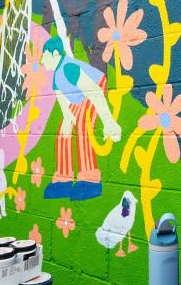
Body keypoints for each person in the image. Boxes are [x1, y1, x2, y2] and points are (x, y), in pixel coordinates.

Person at [40, 37, 122, 201]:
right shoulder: (56, 77)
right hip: (79, 96)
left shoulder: (69, 68)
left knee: (83, 127)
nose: (42, 61)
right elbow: (63, 101)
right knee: (63, 132)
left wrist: (109, 122)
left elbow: (94, 92)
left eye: (45, 56)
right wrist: (68, 118)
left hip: (95, 87)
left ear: (55, 54)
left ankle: (90, 181)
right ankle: (63, 180)